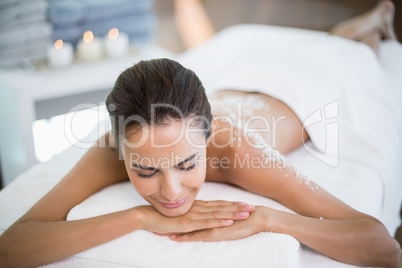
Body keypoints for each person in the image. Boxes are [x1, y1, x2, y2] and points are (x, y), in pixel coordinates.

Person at [0, 1, 400, 267]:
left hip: (304, 88)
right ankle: (362, 25)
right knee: (326, 45)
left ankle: (369, 25)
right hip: (230, 88)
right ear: (121, 151)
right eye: (145, 171)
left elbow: (383, 246)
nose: (172, 192)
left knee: (349, 54)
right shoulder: (113, 148)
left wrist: (271, 219)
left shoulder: (236, 149)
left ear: (207, 142)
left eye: (187, 164)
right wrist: (137, 217)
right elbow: (10, 247)